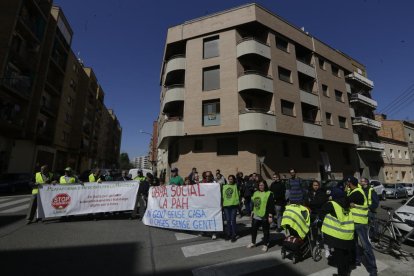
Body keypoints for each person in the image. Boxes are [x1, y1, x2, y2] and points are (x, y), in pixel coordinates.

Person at [345, 176, 377, 276]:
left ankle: (373, 270)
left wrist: (346, 194)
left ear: (350, 184)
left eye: (347, 183)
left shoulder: (357, 192)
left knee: (366, 247)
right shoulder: (354, 191)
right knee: (354, 244)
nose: (347, 185)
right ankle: (357, 260)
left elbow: (345, 201)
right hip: (354, 222)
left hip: (360, 223)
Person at [321, 187, 355, 276]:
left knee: (340, 257)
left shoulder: (332, 204)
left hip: (338, 235)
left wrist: (328, 199)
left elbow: (322, 210)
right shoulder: (347, 203)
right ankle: (346, 271)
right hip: (348, 234)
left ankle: (342, 274)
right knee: (346, 254)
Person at [246, 180, 275, 252]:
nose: (261, 186)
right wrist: (252, 212)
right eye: (259, 185)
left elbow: (271, 205)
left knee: (265, 231)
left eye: (262, 185)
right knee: (253, 229)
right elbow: (253, 203)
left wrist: (270, 216)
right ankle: (253, 242)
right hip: (256, 215)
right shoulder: (256, 193)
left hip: (265, 215)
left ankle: (265, 244)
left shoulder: (269, 193)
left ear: (265, 185)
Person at [222, 175, 240, 242]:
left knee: (233, 220)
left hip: (233, 206)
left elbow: (238, 194)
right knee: (228, 220)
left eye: (231, 179)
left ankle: (234, 235)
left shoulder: (236, 186)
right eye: (229, 179)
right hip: (226, 206)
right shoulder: (224, 186)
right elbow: (222, 195)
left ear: (233, 180)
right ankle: (228, 234)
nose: (230, 180)